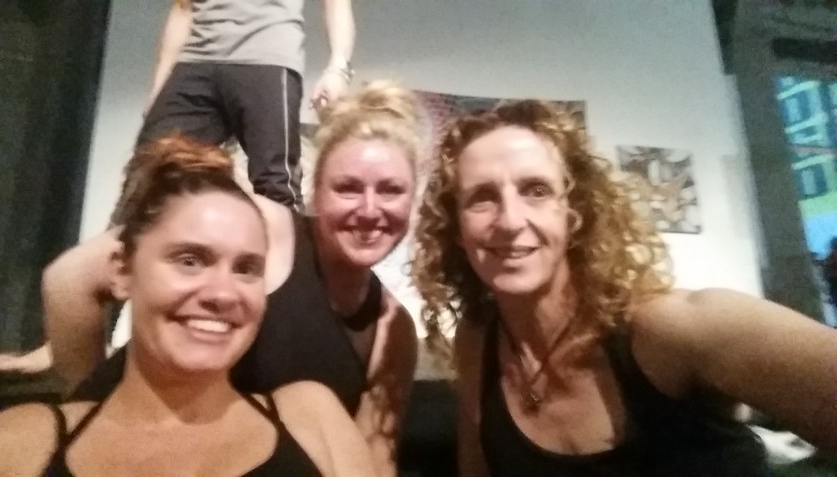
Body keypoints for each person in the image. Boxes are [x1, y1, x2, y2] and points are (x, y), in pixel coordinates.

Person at [411, 100, 837, 476]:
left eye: (536, 190)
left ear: (574, 214)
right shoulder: (477, 341)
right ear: (456, 229)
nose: (509, 219)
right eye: (482, 197)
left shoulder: (673, 329)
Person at [43, 81, 420, 476]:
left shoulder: (392, 332)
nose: (370, 210)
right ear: (317, 191)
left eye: (391, 190)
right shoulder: (256, 227)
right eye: (347, 188)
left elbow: (374, 460)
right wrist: (85, 409)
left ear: (411, 200)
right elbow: (68, 279)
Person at [0, 136, 376, 476]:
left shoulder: (312, 420)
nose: (222, 294)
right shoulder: (21, 443)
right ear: (123, 271)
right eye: (190, 260)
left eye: (246, 269)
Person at [136, 0, 356, 212]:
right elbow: (183, 8)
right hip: (194, 61)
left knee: (276, 186)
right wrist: (158, 87)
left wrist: (338, 68)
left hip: (267, 60)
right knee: (146, 173)